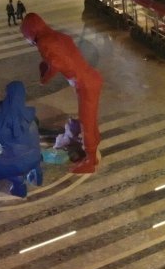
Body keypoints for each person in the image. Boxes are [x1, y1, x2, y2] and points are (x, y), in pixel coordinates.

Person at [21, 13, 104, 173]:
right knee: (89, 120)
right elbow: (62, 55)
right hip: (89, 78)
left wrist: (44, 79)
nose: (26, 39)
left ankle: (90, 161)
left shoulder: (43, 42)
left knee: (87, 123)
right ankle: (92, 152)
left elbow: (56, 63)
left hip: (85, 84)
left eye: (25, 35)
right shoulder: (57, 35)